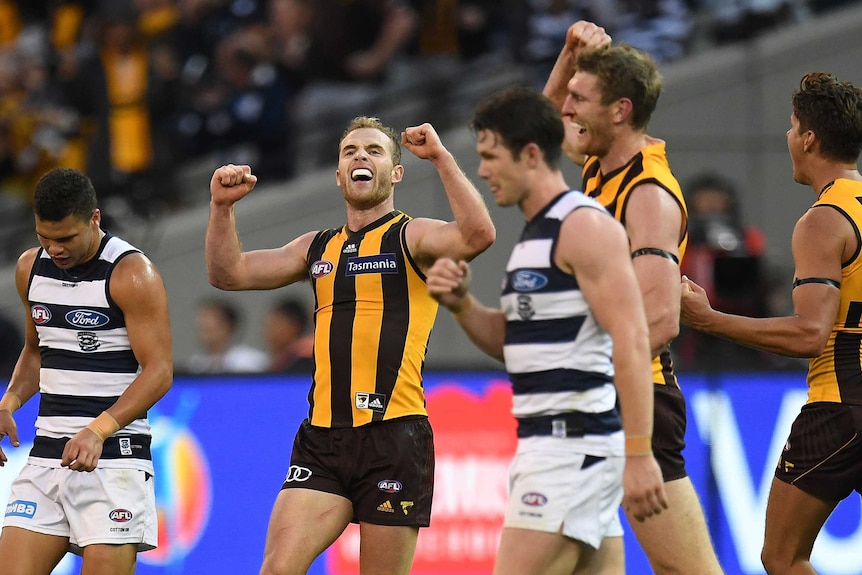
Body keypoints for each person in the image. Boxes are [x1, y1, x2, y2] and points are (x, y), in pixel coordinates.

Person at [205, 116, 495, 574]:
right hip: (322, 440)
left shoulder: (411, 236)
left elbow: (478, 235)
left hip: (394, 438)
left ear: (396, 173)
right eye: (350, 152)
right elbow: (229, 274)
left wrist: (440, 157)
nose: (361, 156)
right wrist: (221, 208)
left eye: (375, 151)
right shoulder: (316, 247)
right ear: (339, 175)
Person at [426, 86, 667, 575]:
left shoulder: (582, 227)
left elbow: (633, 338)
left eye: (491, 156)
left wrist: (640, 453)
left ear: (531, 154)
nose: (483, 170)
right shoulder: (538, 234)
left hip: (568, 451)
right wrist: (461, 304)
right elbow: (512, 342)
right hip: (563, 450)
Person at [542, 21, 724, 574]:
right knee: (576, 556)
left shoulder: (648, 195)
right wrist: (569, 55)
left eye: (580, 97)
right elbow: (538, 131)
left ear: (619, 110)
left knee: (685, 569)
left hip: (632, 396)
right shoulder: (603, 161)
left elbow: (662, 318)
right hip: (597, 390)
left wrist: (581, 352)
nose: (568, 107)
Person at [680, 71, 862, 575]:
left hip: (840, 406)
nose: (786, 138)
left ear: (809, 137)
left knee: (782, 556)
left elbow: (810, 334)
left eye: (791, 126)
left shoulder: (824, 219)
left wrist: (710, 320)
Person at [0, 167, 173, 574]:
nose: (54, 249)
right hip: (46, 458)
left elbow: (159, 370)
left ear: (94, 218)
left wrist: (99, 429)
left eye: (65, 238)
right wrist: (10, 399)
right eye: (45, 237)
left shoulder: (132, 273)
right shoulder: (29, 268)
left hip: (114, 460)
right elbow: (36, 349)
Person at [185, 297, 269, 374]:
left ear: (227, 326)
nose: (202, 323)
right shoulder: (196, 364)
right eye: (201, 328)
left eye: (208, 328)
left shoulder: (253, 361)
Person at [263, 297, 314, 373]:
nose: (268, 331)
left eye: (276, 324)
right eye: (267, 325)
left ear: (294, 325)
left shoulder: (307, 356)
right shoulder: (278, 359)